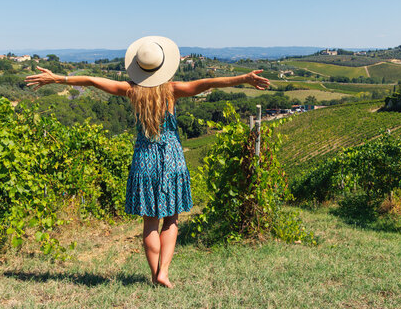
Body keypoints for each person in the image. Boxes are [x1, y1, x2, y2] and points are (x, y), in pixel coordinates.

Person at [24, 36, 270, 288]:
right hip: (171, 157)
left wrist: (58, 78)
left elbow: (91, 81)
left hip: (144, 159)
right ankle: (164, 271)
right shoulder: (172, 90)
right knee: (171, 218)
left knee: (150, 221)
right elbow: (208, 83)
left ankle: (155, 275)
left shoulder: (131, 90)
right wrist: (244, 78)